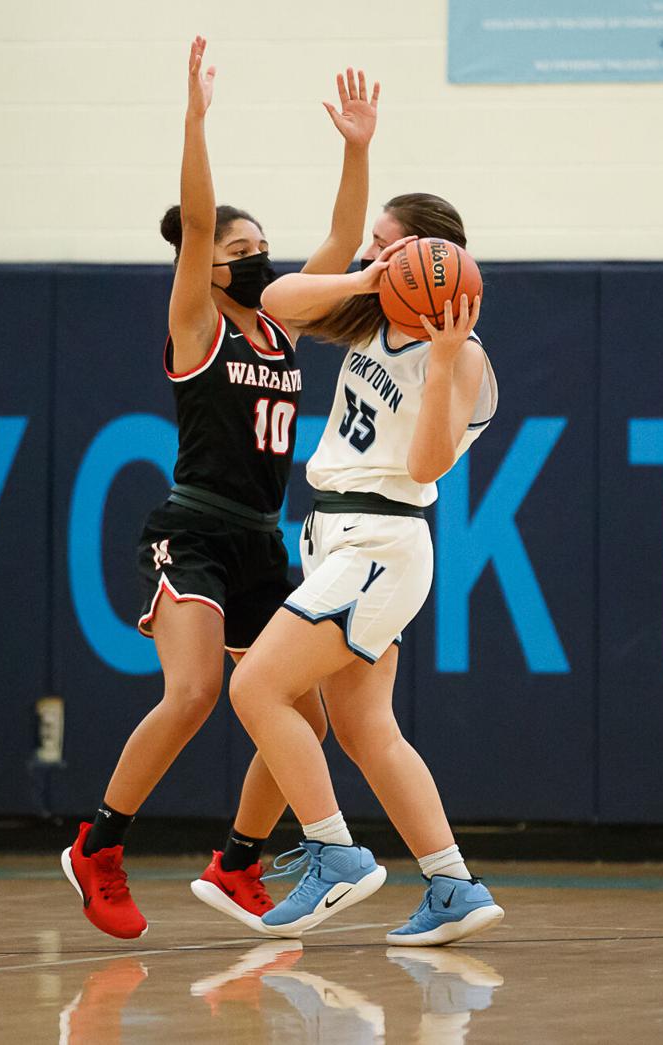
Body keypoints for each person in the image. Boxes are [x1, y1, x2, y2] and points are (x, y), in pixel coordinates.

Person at [60, 37, 379, 940]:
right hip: (192, 526)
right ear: (209, 265)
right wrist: (195, 121)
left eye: (264, 246)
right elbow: (197, 224)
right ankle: (99, 844)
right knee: (195, 691)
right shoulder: (198, 319)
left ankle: (237, 860)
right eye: (246, 247)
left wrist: (356, 148)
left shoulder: (281, 325)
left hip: (261, 538)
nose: (261, 256)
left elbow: (345, 242)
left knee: (303, 718)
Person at [227, 193, 504, 946]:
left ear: (424, 257)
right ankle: (452, 883)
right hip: (336, 534)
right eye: (370, 248)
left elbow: (426, 463)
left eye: (385, 247)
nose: (369, 257)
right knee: (365, 727)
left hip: (381, 542)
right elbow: (276, 300)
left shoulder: (466, 356)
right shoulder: (373, 306)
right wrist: (361, 280)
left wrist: (444, 361)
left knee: (254, 685)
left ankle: (334, 852)